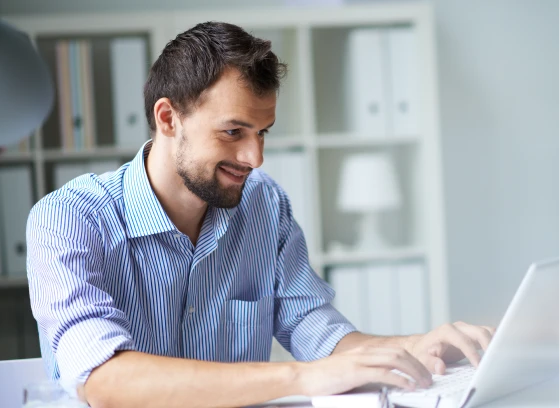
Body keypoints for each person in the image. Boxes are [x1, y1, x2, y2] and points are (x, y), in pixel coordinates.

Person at [27, 21, 494, 408]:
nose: (254, 157)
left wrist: (414, 347)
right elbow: (103, 379)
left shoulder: (264, 205)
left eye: (263, 132)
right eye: (233, 131)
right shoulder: (68, 219)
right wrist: (304, 378)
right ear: (169, 119)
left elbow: (317, 330)